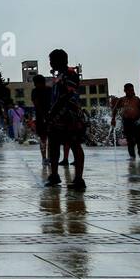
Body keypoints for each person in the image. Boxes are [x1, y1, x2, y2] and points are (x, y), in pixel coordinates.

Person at [45, 50, 86, 189]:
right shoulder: (59, 76)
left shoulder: (70, 74)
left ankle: (79, 179)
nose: (50, 62)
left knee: (75, 145)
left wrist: (54, 110)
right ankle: (55, 175)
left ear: (59, 60)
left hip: (69, 116)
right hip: (58, 117)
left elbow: (68, 94)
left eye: (51, 60)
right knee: (54, 146)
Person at [112, 83, 140, 159]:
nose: (131, 91)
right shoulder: (122, 100)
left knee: (139, 139)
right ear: (125, 91)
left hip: (137, 121)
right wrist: (113, 119)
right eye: (129, 90)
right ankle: (132, 156)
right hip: (127, 121)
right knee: (130, 140)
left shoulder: (136, 99)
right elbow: (115, 110)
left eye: (132, 90)